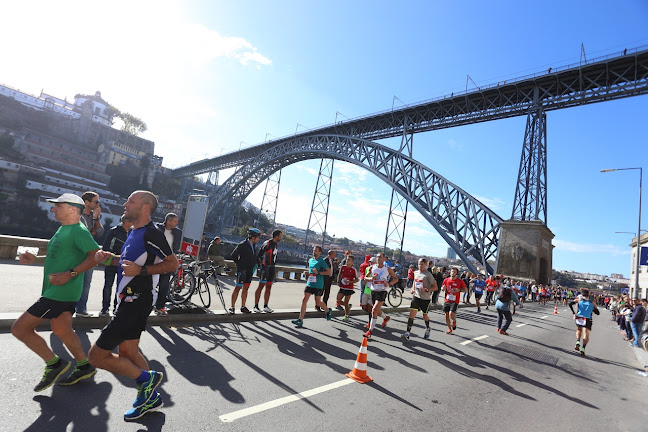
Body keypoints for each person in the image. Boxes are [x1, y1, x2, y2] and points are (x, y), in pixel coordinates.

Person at [90, 190, 179, 421]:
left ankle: (147, 380)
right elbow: (129, 261)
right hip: (128, 299)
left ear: (145, 207)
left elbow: (172, 264)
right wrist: (110, 257)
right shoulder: (134, 231)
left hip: (137, 300)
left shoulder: (152, 233)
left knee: (96, 357)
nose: (125, 203)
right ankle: (150, 397)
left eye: (131, 201)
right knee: (128, 352)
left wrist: (141, 271)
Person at [11, 193, 100, 391]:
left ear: (72, 209)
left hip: (60, 292)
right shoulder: (64, 229)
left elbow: (96, 257)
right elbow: (59, 255)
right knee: (62, 330)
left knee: (19, 329)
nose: (53, 209)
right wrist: (36, 259)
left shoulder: (79, 231)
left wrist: (71, 274)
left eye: (58, 206)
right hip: (57, 290)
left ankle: (54, 364)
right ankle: (84, 366)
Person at [75, 191, 104, 317]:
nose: (98, 204)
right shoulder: (77, 214)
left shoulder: (94, 215)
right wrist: (93, 220)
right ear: (86, 203)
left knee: (86, 282)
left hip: (90, 254)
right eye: (96, 201)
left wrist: (96, 218)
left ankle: (81, 309)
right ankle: (66, 309)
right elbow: (86, 233)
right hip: (77, 253)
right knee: (73, 280)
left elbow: (100, 233)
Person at [291, 246, 332, 327]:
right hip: (310, 283)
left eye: (316, 251)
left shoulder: (321, 261)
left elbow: (329, 272)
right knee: (304, 300)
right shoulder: (310, 260)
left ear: (320, 252)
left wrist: (319, 272)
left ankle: (328, 310)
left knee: (318, 302)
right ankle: (300, 320)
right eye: (313, 250)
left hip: (318, 284)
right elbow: (311, 271)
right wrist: (307, 273)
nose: (314, 252)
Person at [100, 216, 133, 316]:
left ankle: (116, 307)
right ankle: (105, 308)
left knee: (121, 287)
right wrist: (113, 257)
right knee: (108, 285)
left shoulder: (132, 233)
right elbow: (106, 247)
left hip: (124, 264)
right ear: (126, 222)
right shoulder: (114, 231)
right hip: (111, 262)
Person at [401, 258, 438, 341]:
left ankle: (428, 328)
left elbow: (435, 287)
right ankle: (407, 333)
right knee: (412, 314)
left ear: (426, 265)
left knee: (424, 315)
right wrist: (413, 289)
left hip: (425, 298)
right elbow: (415, 281)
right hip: (416, 296)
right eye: (419, 264)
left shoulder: (428, 275)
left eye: (422, 264)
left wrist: (427, 290)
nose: (420, 266)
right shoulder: (416, 272)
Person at [364, 252, 398, 339]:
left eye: (380, 257)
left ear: (384, 259)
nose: (378, 258)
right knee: (376, 310)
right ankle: (385, 318)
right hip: (374, 291)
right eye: (377, 257)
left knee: (374, 309)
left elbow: (396, 279)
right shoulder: (372, 267)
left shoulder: (387, 269)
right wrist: (371, 278)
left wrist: (389, 283)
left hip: (382, 291)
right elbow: (365, 278)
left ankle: (370, 331)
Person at [154, 213, 182, 316]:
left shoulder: (177, 232)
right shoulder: (157, 228)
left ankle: (160, 307)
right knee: (150, 283)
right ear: (168, 221)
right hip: (154, 260)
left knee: (164, 284)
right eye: (175, 221)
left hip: (167, 262)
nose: (177, 223)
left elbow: (176, 247)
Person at [230, 228, 261, 314]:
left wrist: (258, 264)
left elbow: (255, 257)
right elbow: (233, 255)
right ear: (253, 237)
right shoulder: (242, 244)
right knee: (238, 287)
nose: (259, 239)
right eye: (258, 237)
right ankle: (232, 307)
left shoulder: (254, 246)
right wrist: (239, 263)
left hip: (250, 270)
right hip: (242, 269)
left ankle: (243, 306)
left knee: (246, 288)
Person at [254, 229, 283, 313]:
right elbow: (259, 255)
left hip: (272, 267)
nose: (281, 238)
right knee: (261, 286)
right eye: (280, 236)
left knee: (269, 286)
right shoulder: (267, 243)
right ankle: (256, 306)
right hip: (265, 267)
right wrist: (260, 266)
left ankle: (265, 306)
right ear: (277, 236)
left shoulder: (276, 244)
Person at [568, 288, 600, 356]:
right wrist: (593, 309)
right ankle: (583, 348)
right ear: (588, 294)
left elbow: (570, 304)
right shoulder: (592, 302)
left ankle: (578, 341)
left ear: (582, 295)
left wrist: (574, 313)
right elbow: (597, 313)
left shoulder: (579, 300)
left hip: (579, 317)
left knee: (579, 330)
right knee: (586, 334)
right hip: (588, 318)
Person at [441, 268, 467, 334]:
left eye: (454, 272)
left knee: (451, 314)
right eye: (452, 271)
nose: (453, 273)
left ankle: (454, 321)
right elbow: (443, 287)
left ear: (456, 273)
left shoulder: (460, 281)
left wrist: (459, 290)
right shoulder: (446, 280)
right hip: (447, 299)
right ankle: (449, 329)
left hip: (455, 300)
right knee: (446, 315)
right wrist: (442, 288)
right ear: (450, 272)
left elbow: (465, 290)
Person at [336, 255, 359, 320]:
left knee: (346, 302)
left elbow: (357, 280)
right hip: (342, 287)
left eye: (349, 260)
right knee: (338, 300)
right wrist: (338, 282)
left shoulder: (353, 269)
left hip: (349, 288)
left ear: (352, 262)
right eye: (346, 259)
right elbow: (340, 274)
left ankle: (346, 315)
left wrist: (350, 282)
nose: (347, 261)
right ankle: (348, 307)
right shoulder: (343, 267)